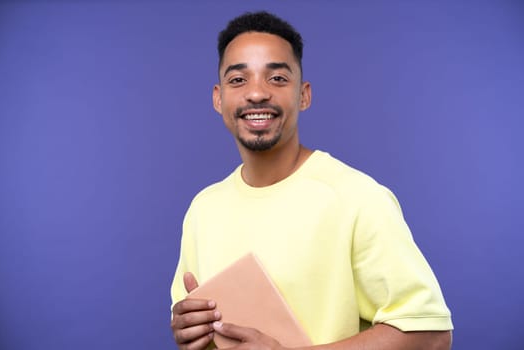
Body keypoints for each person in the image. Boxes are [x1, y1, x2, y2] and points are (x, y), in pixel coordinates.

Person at [170, 11, 453, 350]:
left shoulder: (357, 198)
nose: (257, 93)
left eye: (276, 78)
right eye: (238, 80)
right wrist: (188, 328)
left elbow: (431, 335)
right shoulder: (203, 209)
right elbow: (194, 323)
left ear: (303, 95)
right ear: (218, 98)